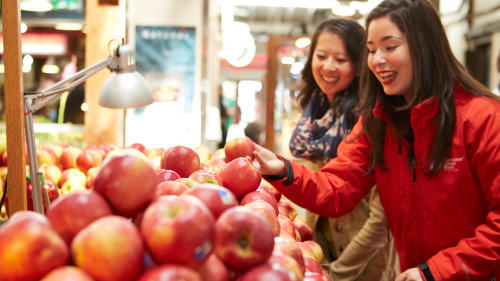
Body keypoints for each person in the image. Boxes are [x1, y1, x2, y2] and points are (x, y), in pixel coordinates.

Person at [248, 0, 500, 280]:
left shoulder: (482, 119)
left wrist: (435, 272)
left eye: (390, 47)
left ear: (425, 47)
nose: (377, 60)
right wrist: (282, 169)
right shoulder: (378, 123)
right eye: (371, 50)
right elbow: (337, 188)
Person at [288, 18, 399, 280]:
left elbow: (380, 221)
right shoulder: (314, 112)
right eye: (321, 56)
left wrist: (339, 271)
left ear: (359, 66)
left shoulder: (372, 119)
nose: (328, 66)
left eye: (341, 59)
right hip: (322, 253)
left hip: (365, 265)